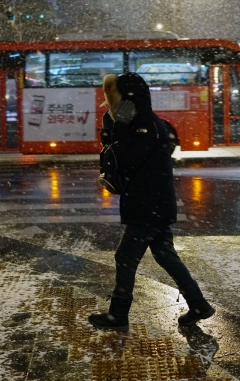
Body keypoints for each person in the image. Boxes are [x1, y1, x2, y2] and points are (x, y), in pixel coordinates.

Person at [88, 72, 215, 332]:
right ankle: (199, 304)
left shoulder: (145, 124)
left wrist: (120, 126)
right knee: (165, 255)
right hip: (152, 204)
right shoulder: (140, 122)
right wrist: (111, 126)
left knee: (125, 256)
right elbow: (113, 151)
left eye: (119, 94)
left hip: (149, 206)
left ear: (129, 96)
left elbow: (126, 158)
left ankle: (118, 314)